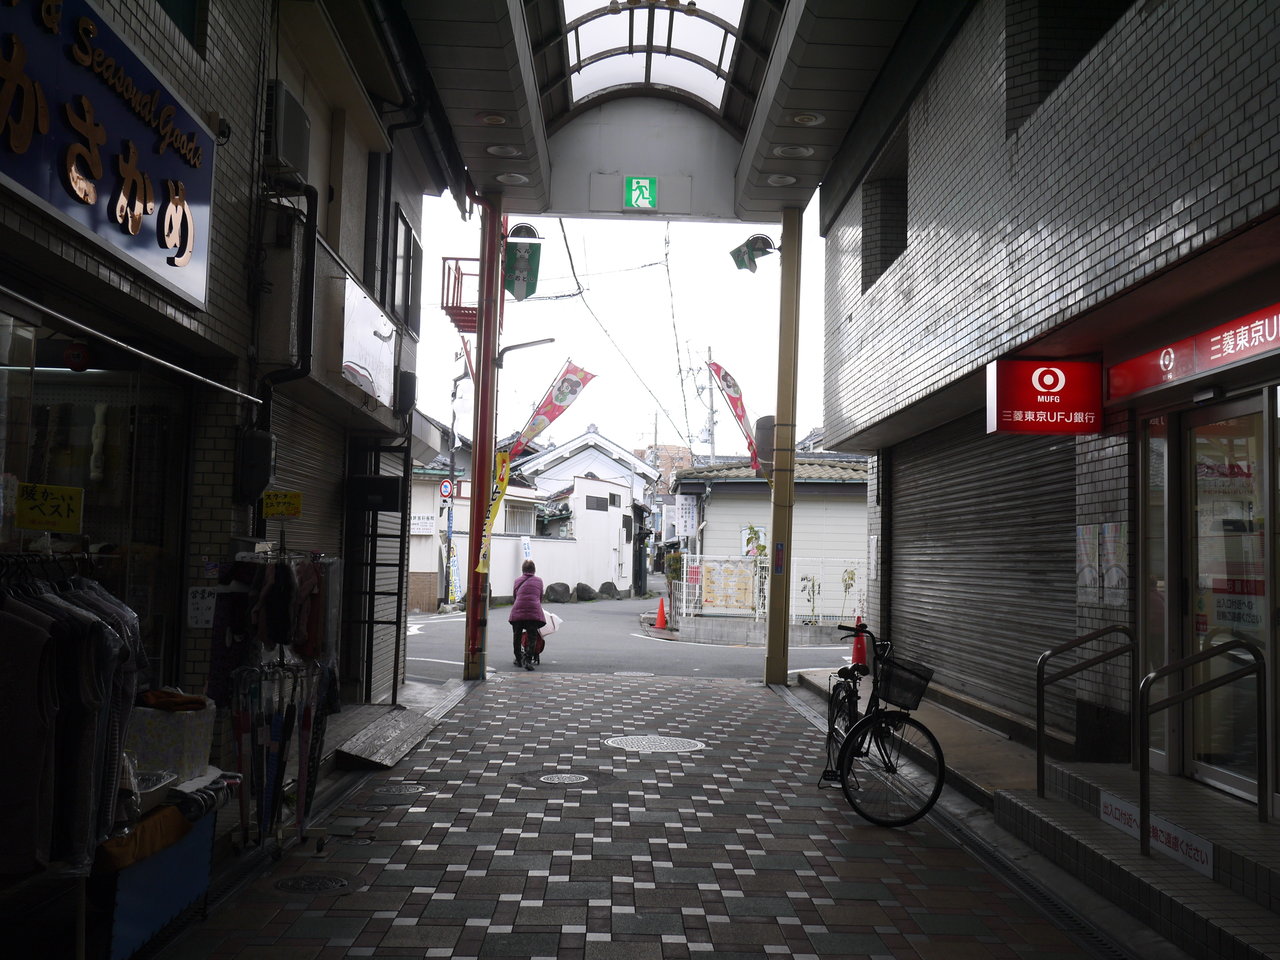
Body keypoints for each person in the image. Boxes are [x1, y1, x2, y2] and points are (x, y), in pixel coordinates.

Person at [508, 559, 545, 670]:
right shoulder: (539, 581)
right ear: (534, 570)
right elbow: (540, 597)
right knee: (532, 636)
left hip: (518, 611)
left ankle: (518, 659)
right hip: (533, 612)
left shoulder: (517, 581)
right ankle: (528, 660)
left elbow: (515, 596)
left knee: (517, 636)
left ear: (523, 570)